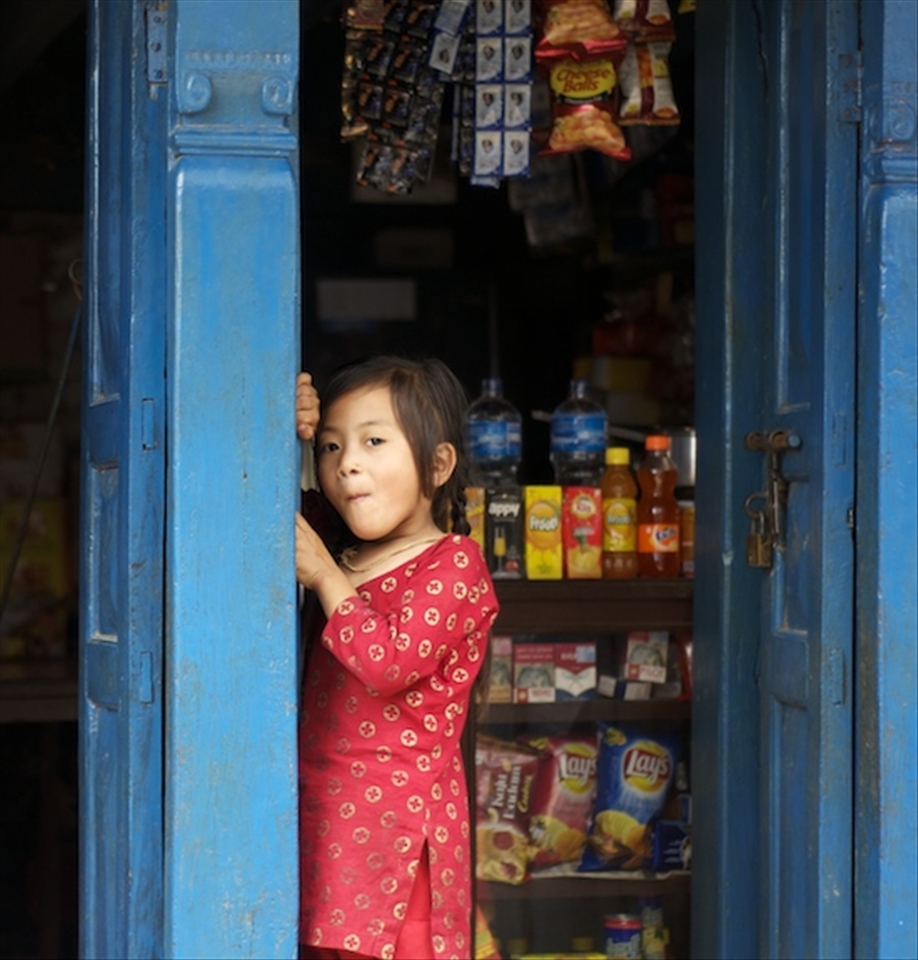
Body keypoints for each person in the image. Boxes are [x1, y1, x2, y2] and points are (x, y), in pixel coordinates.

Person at [294, 357, 499, 960]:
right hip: (325, 828)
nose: (347, 463)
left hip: (400, 849)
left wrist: (326, 576)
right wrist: (291, 424)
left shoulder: (453, 563)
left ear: (437, 464)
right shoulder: (337, 546)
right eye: (331, 447)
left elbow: (388, 662)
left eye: (373, 441)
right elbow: (259, 498)